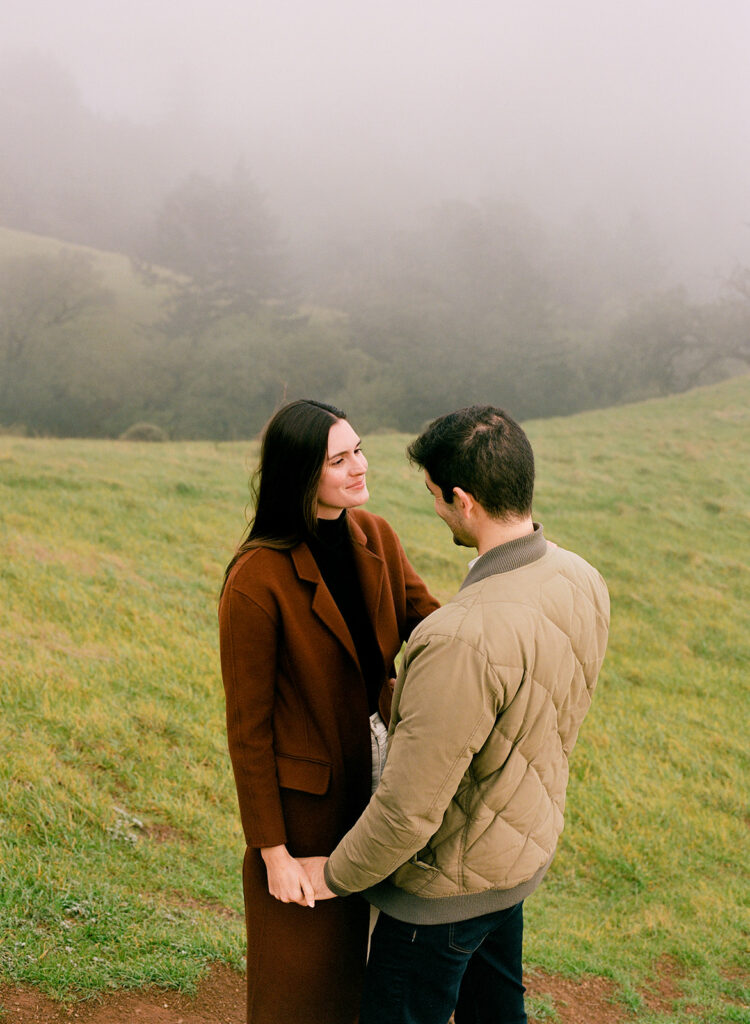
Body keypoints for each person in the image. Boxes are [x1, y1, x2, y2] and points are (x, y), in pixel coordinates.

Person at [301, 405, 610, 1024]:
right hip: (515, 864)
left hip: (440, 901)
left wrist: (332, 876)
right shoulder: (580, 576)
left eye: (436, 497)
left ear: (462, 500)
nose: (435, 507)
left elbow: (407, 811)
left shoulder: (458, 640)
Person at [218, 398, 439, 1024]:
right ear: (301, 474)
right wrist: (273, 853)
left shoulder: (377, 536)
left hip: (386, 773)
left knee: (382, 967)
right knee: (303, 991)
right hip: (308, 808)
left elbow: (433, 628)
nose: (360, 467)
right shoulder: (255, 579)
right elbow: (248, 732)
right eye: (339, 460)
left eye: (359, 449)